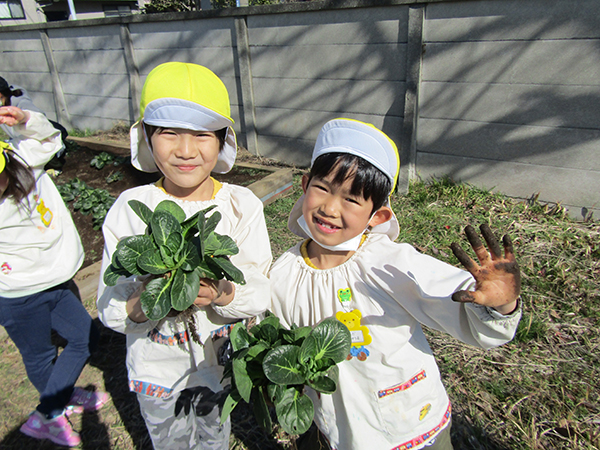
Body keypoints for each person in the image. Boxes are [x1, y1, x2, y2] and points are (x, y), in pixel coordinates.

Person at [268, 118, 522, 450]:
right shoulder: (284, 272)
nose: (330, 208)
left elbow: (457, 299)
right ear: (305, 185)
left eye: (351, 199)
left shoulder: (390, 263)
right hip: (333, 427)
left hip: (407, 427)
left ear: (378, 216)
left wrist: (500, 304)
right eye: (323, 188)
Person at [96, 62, 272, 450]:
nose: (186, 150)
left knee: (214, 437)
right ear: (146, 137)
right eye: (169, 133)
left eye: (203, 134)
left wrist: (222, 293)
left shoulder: (242, 205)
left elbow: (259, 290)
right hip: (156, 371)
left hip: (217, 367)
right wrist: (151, 299)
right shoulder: (131, 206)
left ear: (223, 139)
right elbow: (110, 307)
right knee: (170, 441)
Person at [0, 105, 108, 447]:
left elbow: (49, 138)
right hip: (17, 295)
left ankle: (59, 396)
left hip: (58, 281)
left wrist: (25, 121)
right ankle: (49, 414)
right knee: (40, 355)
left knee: (84, 337)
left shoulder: (23, 160)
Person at [0, 76, 68, 171]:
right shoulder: (3, 105)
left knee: (47, 156)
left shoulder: (19, 101)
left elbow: (39, 119)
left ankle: (57, 161)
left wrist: (24, 117)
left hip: (47, 133)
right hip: (24, 136)